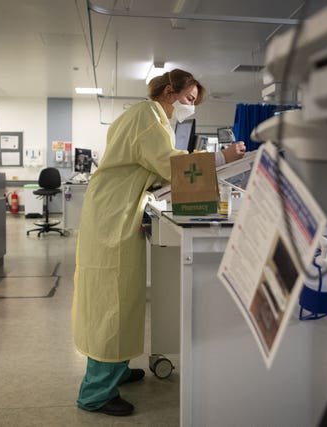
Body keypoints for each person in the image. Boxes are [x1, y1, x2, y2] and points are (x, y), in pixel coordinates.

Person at [71, 68, 246, 417]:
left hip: (118, 213)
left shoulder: (149, 119)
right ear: (170, 91)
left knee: (125, 296)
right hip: (112, 218)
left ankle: (116, 369)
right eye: (189, 99)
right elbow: (170, 165)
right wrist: (222, 158)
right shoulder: (148, 117)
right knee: (111, 300)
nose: (191, 107)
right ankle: (95, 392)